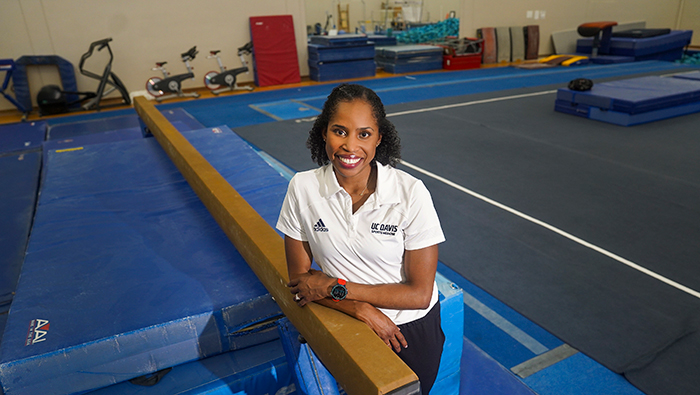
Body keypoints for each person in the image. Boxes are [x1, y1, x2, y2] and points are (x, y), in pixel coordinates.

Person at [276, 83, 445, 394]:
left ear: (379, 138)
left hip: (407, 331)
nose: (350, 146)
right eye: (340, 131)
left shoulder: (409, 193)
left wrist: (332, 287)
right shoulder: (303, 188)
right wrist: (358, 308)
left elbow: (419, 294)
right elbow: (300, 283)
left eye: (363, 134)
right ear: (323, 132)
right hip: (346, 322)